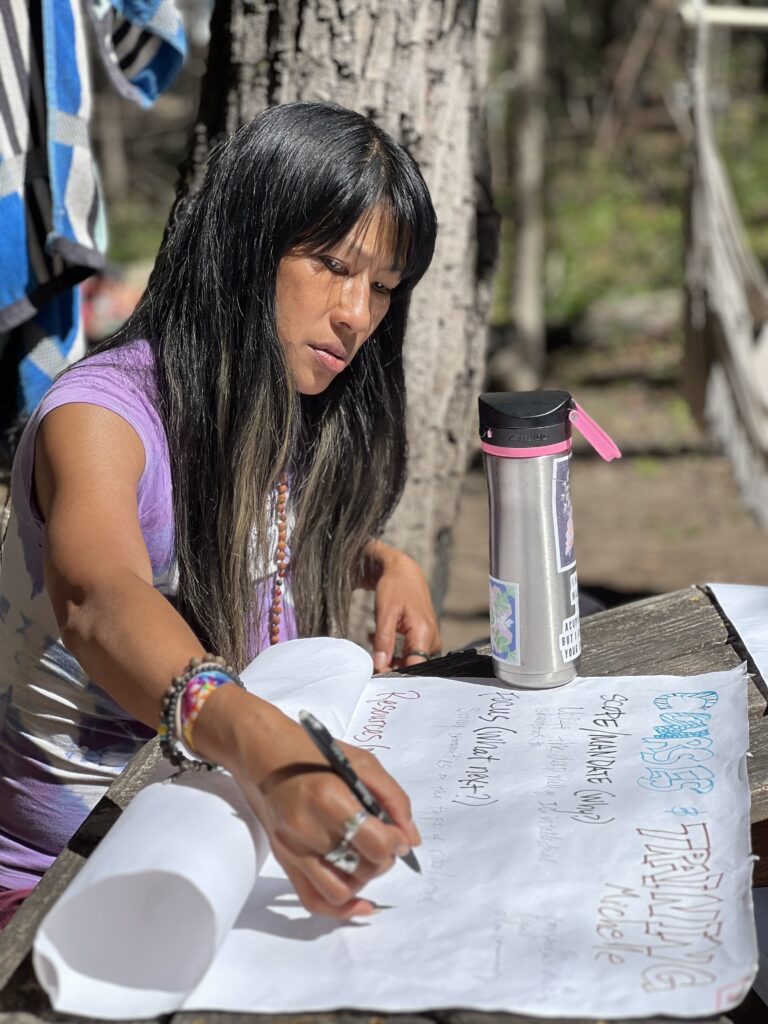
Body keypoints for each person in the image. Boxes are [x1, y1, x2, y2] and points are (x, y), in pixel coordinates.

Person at [0, 102, 441, 926]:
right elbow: (102, 596)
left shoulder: (285, 404)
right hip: (59, 883)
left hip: (227, 834)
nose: (357, 314)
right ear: (247, 246)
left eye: (382, 288)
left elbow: (245, 539)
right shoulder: (100, 416)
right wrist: (269, 749)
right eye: (331, 265)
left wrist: (378, 561)